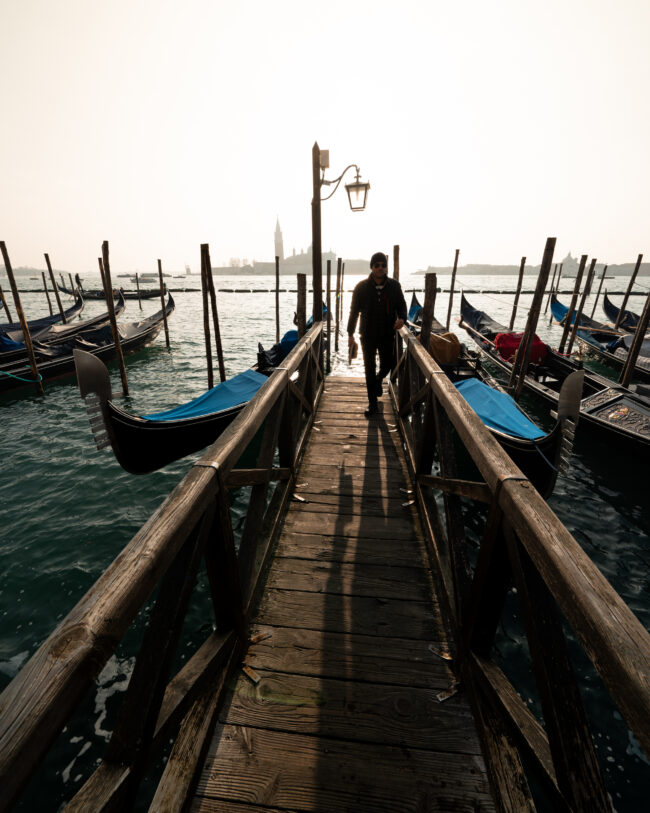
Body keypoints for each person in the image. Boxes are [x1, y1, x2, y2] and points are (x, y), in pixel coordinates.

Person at [347, 251, 407, 417]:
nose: (380, 268)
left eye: (383, 265)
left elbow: (402, 306)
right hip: (367, 334)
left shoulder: (395, 286)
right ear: (372, 267)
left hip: (388, 333)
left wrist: (402, 318)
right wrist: (350, 334)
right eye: (377, 265)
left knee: (388, 364)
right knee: (369, 368)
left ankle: (379, 379)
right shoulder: (360, 287)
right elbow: (353, 312)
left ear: (386, 267)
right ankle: (372, 404)